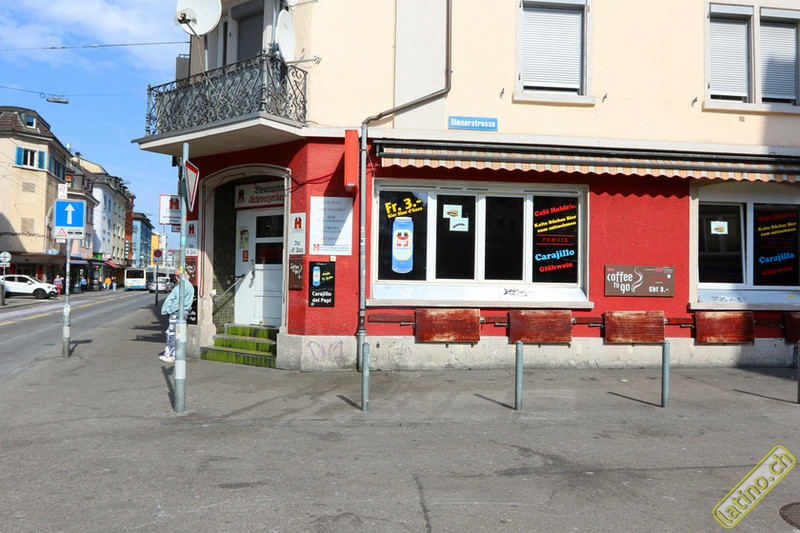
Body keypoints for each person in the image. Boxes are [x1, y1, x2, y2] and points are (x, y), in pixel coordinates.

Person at [159, 270, 195, 363]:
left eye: (178, 276)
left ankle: (172, 355)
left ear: (184, 275)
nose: (176, 277)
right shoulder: (184, 285)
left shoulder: (184, 286)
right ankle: (168, 354)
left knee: (173, 334)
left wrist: (170, 310)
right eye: (176, 276)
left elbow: (177, 301)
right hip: (177, 313)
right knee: (171, 333)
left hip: (176, 313)